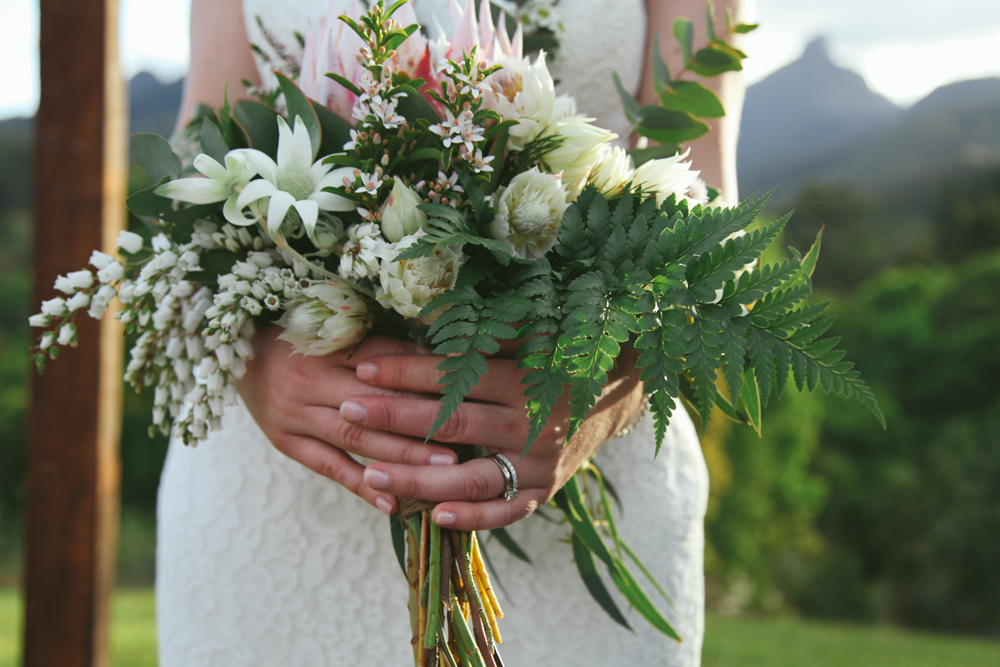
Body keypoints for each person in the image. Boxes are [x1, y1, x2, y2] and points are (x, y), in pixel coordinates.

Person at [157, 0, 748, 664]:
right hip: (270, 502)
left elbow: (706, 206)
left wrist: (604, 388)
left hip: (572, 455)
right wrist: (254, 363)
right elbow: (195, 163)